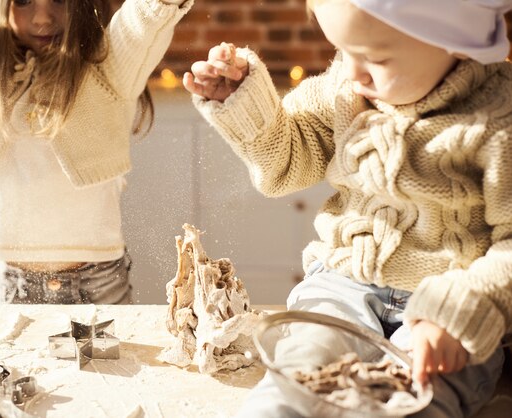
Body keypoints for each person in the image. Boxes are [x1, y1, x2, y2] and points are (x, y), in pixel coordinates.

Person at [183, 0, 512, 416]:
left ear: (455, 38)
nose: (353, 73)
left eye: (374, 57)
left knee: (417, 398)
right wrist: (247, 105)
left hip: (450, 304)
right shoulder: (345, 87)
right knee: (296, 376)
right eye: (343, 50)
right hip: (343, 283)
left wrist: (461, 311)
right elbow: (287, 165)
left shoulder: (501, 119)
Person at [0, 0, 192, 305]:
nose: (42, 18)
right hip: (13, 283)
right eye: (23, 2)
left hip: (97, 283)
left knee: (114, 357)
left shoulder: (109, 68)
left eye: (60, 1)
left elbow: (143, 22)